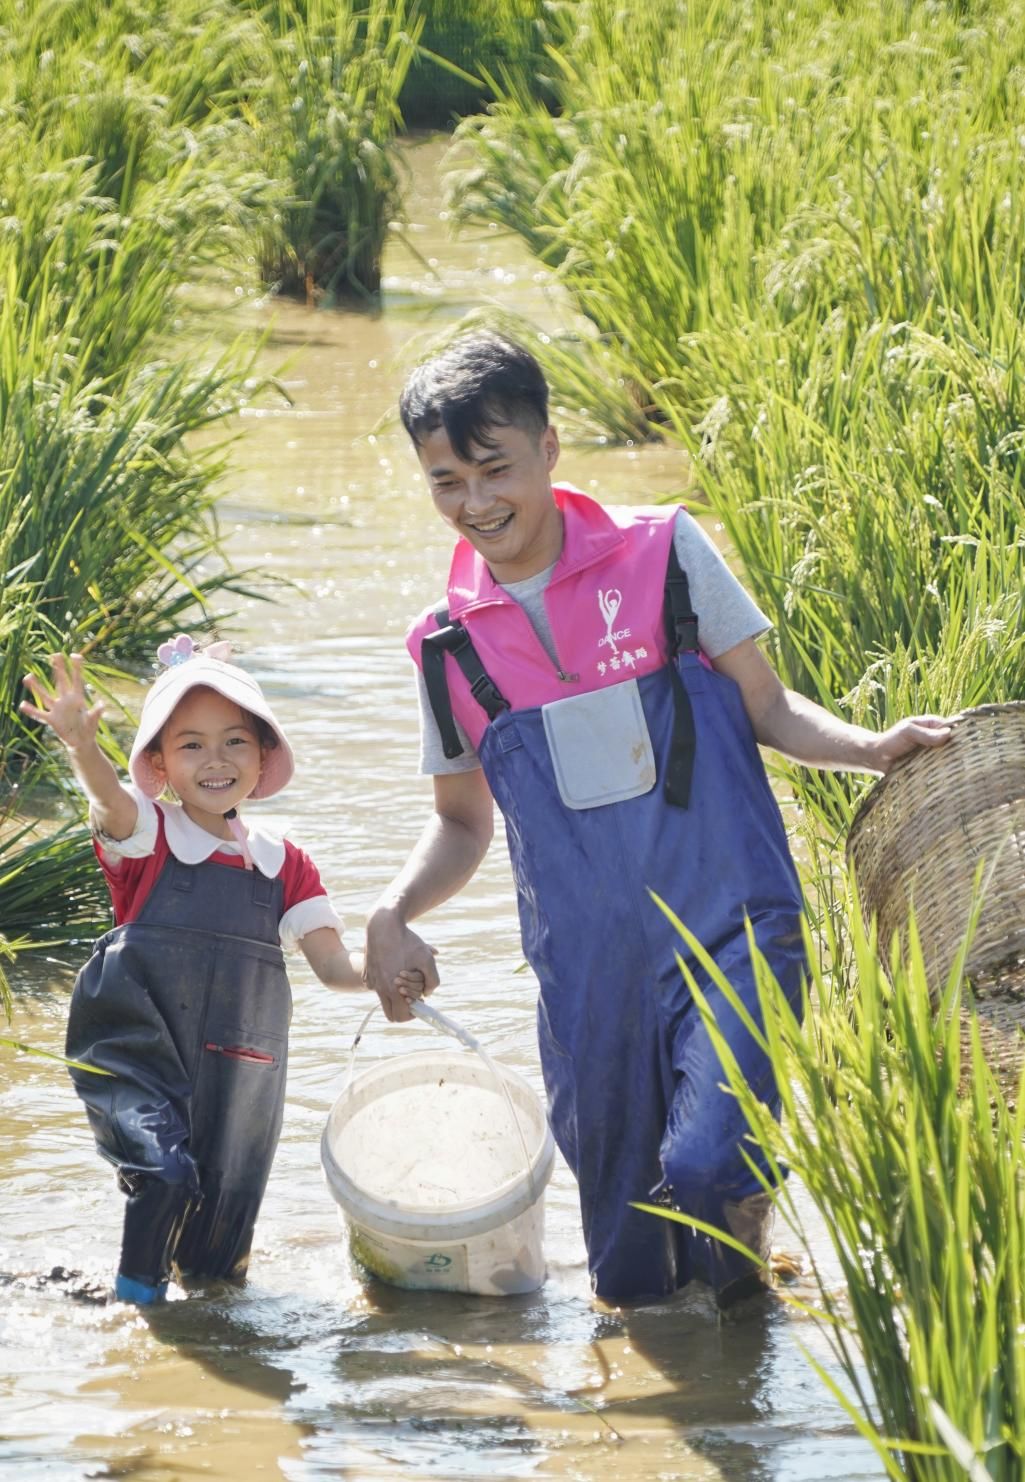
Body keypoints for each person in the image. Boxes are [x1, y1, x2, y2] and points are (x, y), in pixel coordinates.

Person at [362, 331, 952, 1308]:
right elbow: (461, 824)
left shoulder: (664, 553)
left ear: (548, 448)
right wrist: (393, 907)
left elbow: (765, 707)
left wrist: (863, 744)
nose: (474, 504)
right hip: (584, 976)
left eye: (492, 469)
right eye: (443, 482)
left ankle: (746, 1313)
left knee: (713, 1160)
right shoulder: (441, 647)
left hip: (730, 926)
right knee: (627, 1281)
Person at [21, 636, 420, 1305]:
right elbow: (110, 801)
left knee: (216, 1268)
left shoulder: (283, 862)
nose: (215, 761)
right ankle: (133, 1317)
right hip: (137, 1050)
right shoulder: (146, 833)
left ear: (264, 756)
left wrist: (384, 975)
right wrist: (82, 748)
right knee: (165, 1173)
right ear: (157, 763)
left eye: (235, 742)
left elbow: (332, 965)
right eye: (191, 745)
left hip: (241, 1075)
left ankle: (189, 1337)